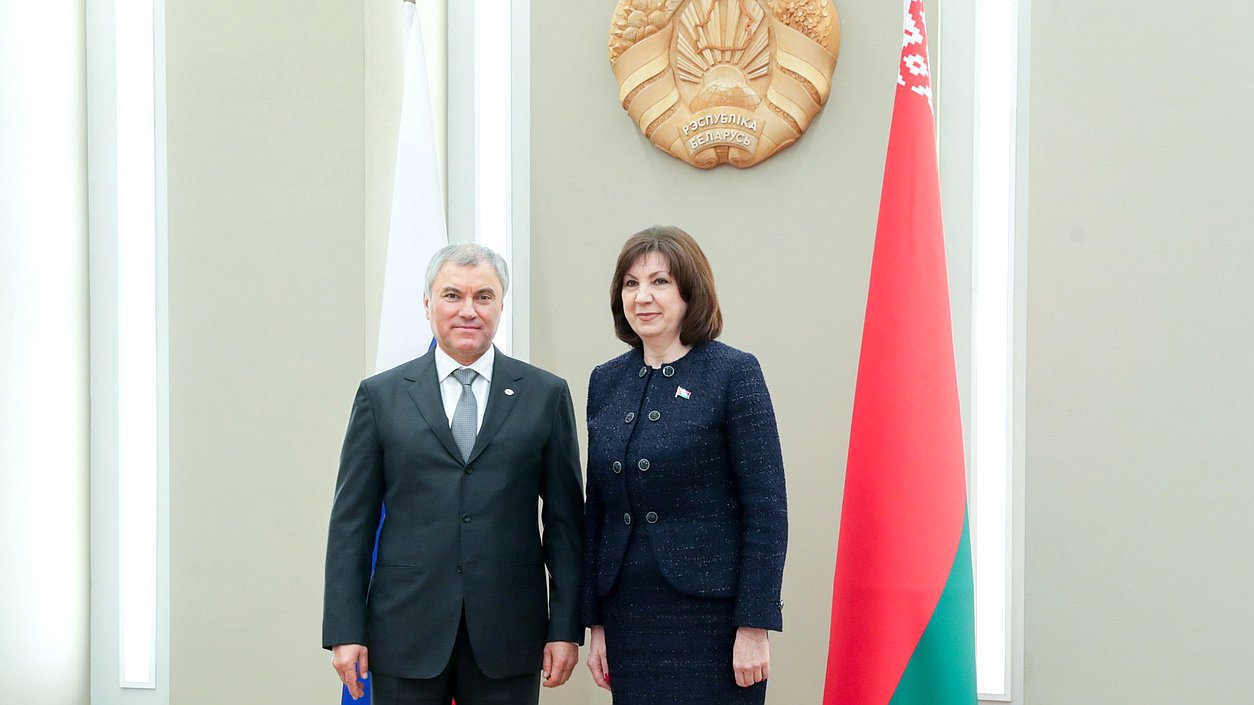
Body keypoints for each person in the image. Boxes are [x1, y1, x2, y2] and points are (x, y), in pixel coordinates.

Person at [323, 243, 584, 705]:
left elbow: (565, 523)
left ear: (501, 305)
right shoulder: (381, 397)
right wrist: (345, 630)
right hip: (404, 634)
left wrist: (565, 628)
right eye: (452, 296)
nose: (468, 310)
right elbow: (351, 523)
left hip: (510, 637)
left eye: (483, 296)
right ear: (427, 304)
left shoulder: (544, 394)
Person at [581, 226, 788, 704]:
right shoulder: (606, 381)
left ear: (690, 292)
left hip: (713, 621)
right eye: (631, 284)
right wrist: (596, 622)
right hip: (628, 615)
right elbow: (598, 511)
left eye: (660, 282)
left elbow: (767, 508)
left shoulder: (734, 372)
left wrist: (754, 624)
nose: (643, 297)